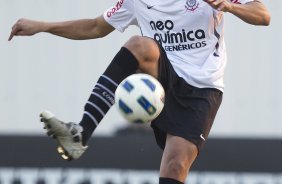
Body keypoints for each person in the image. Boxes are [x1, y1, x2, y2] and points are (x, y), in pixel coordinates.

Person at [9, 0, 270, 183]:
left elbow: (263, 15)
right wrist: (43, 26)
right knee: (140, 44)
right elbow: (95, 27)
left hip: (202, 90)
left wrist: (230, 6)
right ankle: (81, 134)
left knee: (175, 167)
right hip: (162, 78)